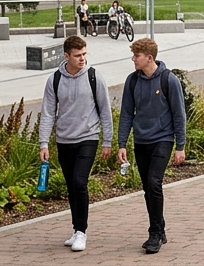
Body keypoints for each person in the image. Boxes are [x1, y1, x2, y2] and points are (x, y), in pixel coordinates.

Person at [38, 35, 113, 253]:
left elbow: (105, 111)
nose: (82, 59)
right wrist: (44, 143)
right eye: (78, 55)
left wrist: (107, 141)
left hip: (88, 137)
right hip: (64, 140)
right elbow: (48, 113)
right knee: (71, 186)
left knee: (80, 183)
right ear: (66, 56)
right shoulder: (55, 80)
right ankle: (75, 229)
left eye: (84, 54)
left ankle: (82, 231)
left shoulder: (93, 77)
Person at [116, 38, 187, 254]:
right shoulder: (132, 81)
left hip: (163, 139)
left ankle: (155, 233)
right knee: (148, 187)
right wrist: (122, 144)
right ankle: (160, 228)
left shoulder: (168, 80)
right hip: (141, 141)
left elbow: (179, 114)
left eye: (136, 56)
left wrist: (180, 146)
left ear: (149, 58)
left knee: (154, 183)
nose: (133, 59)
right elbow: (127, 113)